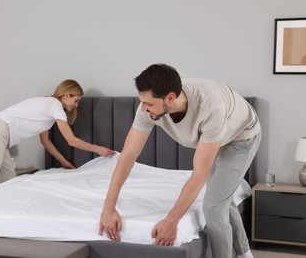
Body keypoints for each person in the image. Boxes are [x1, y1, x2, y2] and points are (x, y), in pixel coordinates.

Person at [99, 64, 260, 258]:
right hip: (213, 135)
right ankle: (245, 253)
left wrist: (172, 220)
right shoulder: (148, 110)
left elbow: (199, 173)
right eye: (141, 101)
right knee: (220, 195)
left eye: (148, 103)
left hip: (241, 138)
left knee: (213, 205)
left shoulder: (211, 107)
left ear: (170, 98)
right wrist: (108, 208)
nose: (143, 108)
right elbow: (127, 156)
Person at [0, 79, 115, 188]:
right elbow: (71, 140)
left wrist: (63, 161)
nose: (76, 105)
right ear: (66, 95)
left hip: (2, 136)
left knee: (9, 182)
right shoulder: (55, 105)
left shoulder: (49, 108)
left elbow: (45, 141)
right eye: (76, 100)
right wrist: (98, 149)